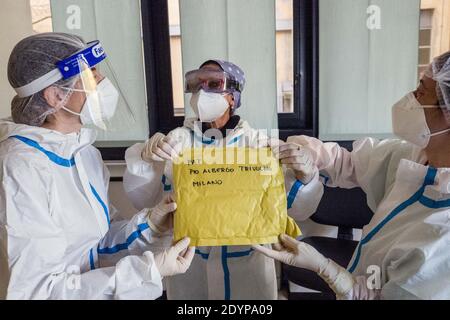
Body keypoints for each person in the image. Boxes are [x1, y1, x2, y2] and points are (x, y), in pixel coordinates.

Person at [0, 32, 195, 300]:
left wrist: (151, 226)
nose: (102, 81)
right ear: (56, 95)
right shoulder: (21, 167)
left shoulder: (83, 152)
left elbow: (98, 244)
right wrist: (146, 271)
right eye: (91, 74)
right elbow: (36, 293)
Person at [254, 51, 450, 300]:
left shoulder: (442, 237)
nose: (411, 98)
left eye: (422, 91)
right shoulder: (416, 157)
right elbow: (348, 162)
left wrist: (327, 270)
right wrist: (306, 153)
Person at [123, 59, 324, 299]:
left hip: (249, 267)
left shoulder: (258, 145)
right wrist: (146, 161)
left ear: (232, 97)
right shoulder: (176, 142)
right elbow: (143, 199)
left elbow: (297, 209)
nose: (201, 92)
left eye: (213, 84)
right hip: (189, 266)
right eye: (197, 84)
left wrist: (306, 176)